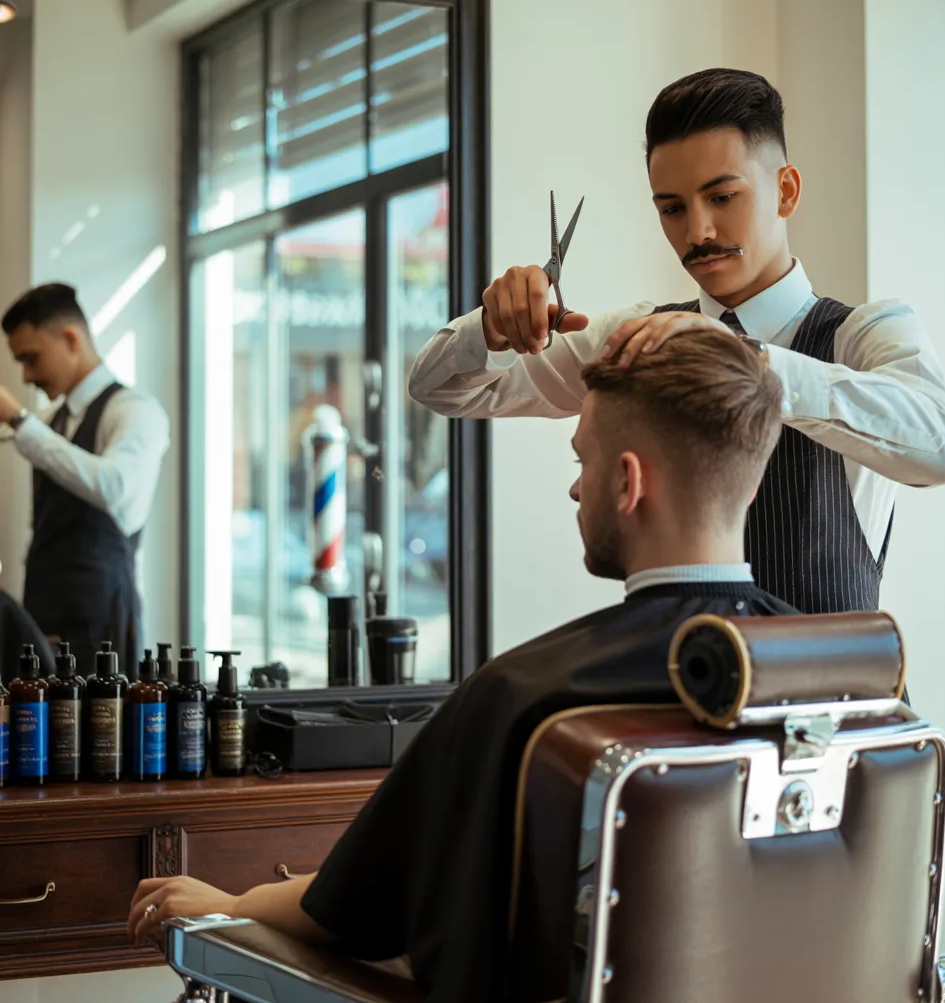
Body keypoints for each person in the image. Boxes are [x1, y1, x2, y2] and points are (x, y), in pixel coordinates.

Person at [127, 329, 797, 1003]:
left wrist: (232, 903)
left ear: (628, 482)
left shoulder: (525, 696)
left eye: (583, 460)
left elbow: (354, 912)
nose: (575, 488)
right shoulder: (831, 670)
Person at [408, 67, 945, 616]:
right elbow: (441, 390)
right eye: (672, 208)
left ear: (786, 191)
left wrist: (749, 361)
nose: (696, 232)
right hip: (674, 673)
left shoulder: (862, 335)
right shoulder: (637, 339)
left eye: (722, 197)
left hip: (832, 680)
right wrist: (491, 330)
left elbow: (941, 447)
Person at [0, 284, 170, 679]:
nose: (26, 376)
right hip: (41, 613)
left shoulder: (136, 411)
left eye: (31, 359)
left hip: (100, 624)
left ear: (71, 338)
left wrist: (19, 420)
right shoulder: (51, 420)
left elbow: (113, 486)